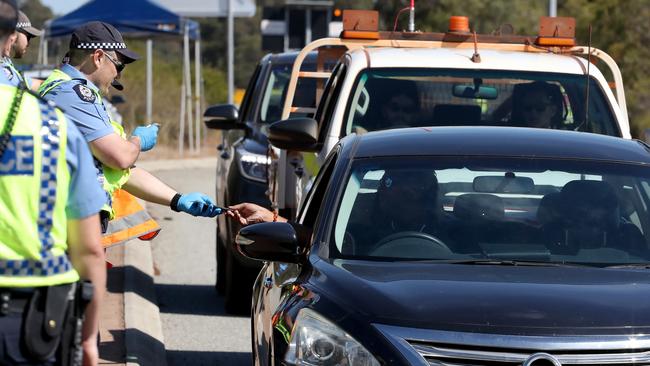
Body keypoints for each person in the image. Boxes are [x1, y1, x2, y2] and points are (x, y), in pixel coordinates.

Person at [0, 1, 106, 364]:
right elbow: (89, 249)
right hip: (33, 317)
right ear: (11, 38)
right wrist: (90, 338)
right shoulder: (51, 124)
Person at [39, 21, 221, 233]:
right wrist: (137, 141)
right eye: (119, 65)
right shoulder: (73, 94)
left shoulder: (68, 90)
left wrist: (178, 200)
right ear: (98, 57)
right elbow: (121, 158)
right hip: (69, 223)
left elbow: (119, 171)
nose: (119, 76)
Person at [1, 10, 41, 88]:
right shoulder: (3, 68)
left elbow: (35, 85)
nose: (28, 44)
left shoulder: (6, 61)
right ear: (13, 34)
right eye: (28, 37)